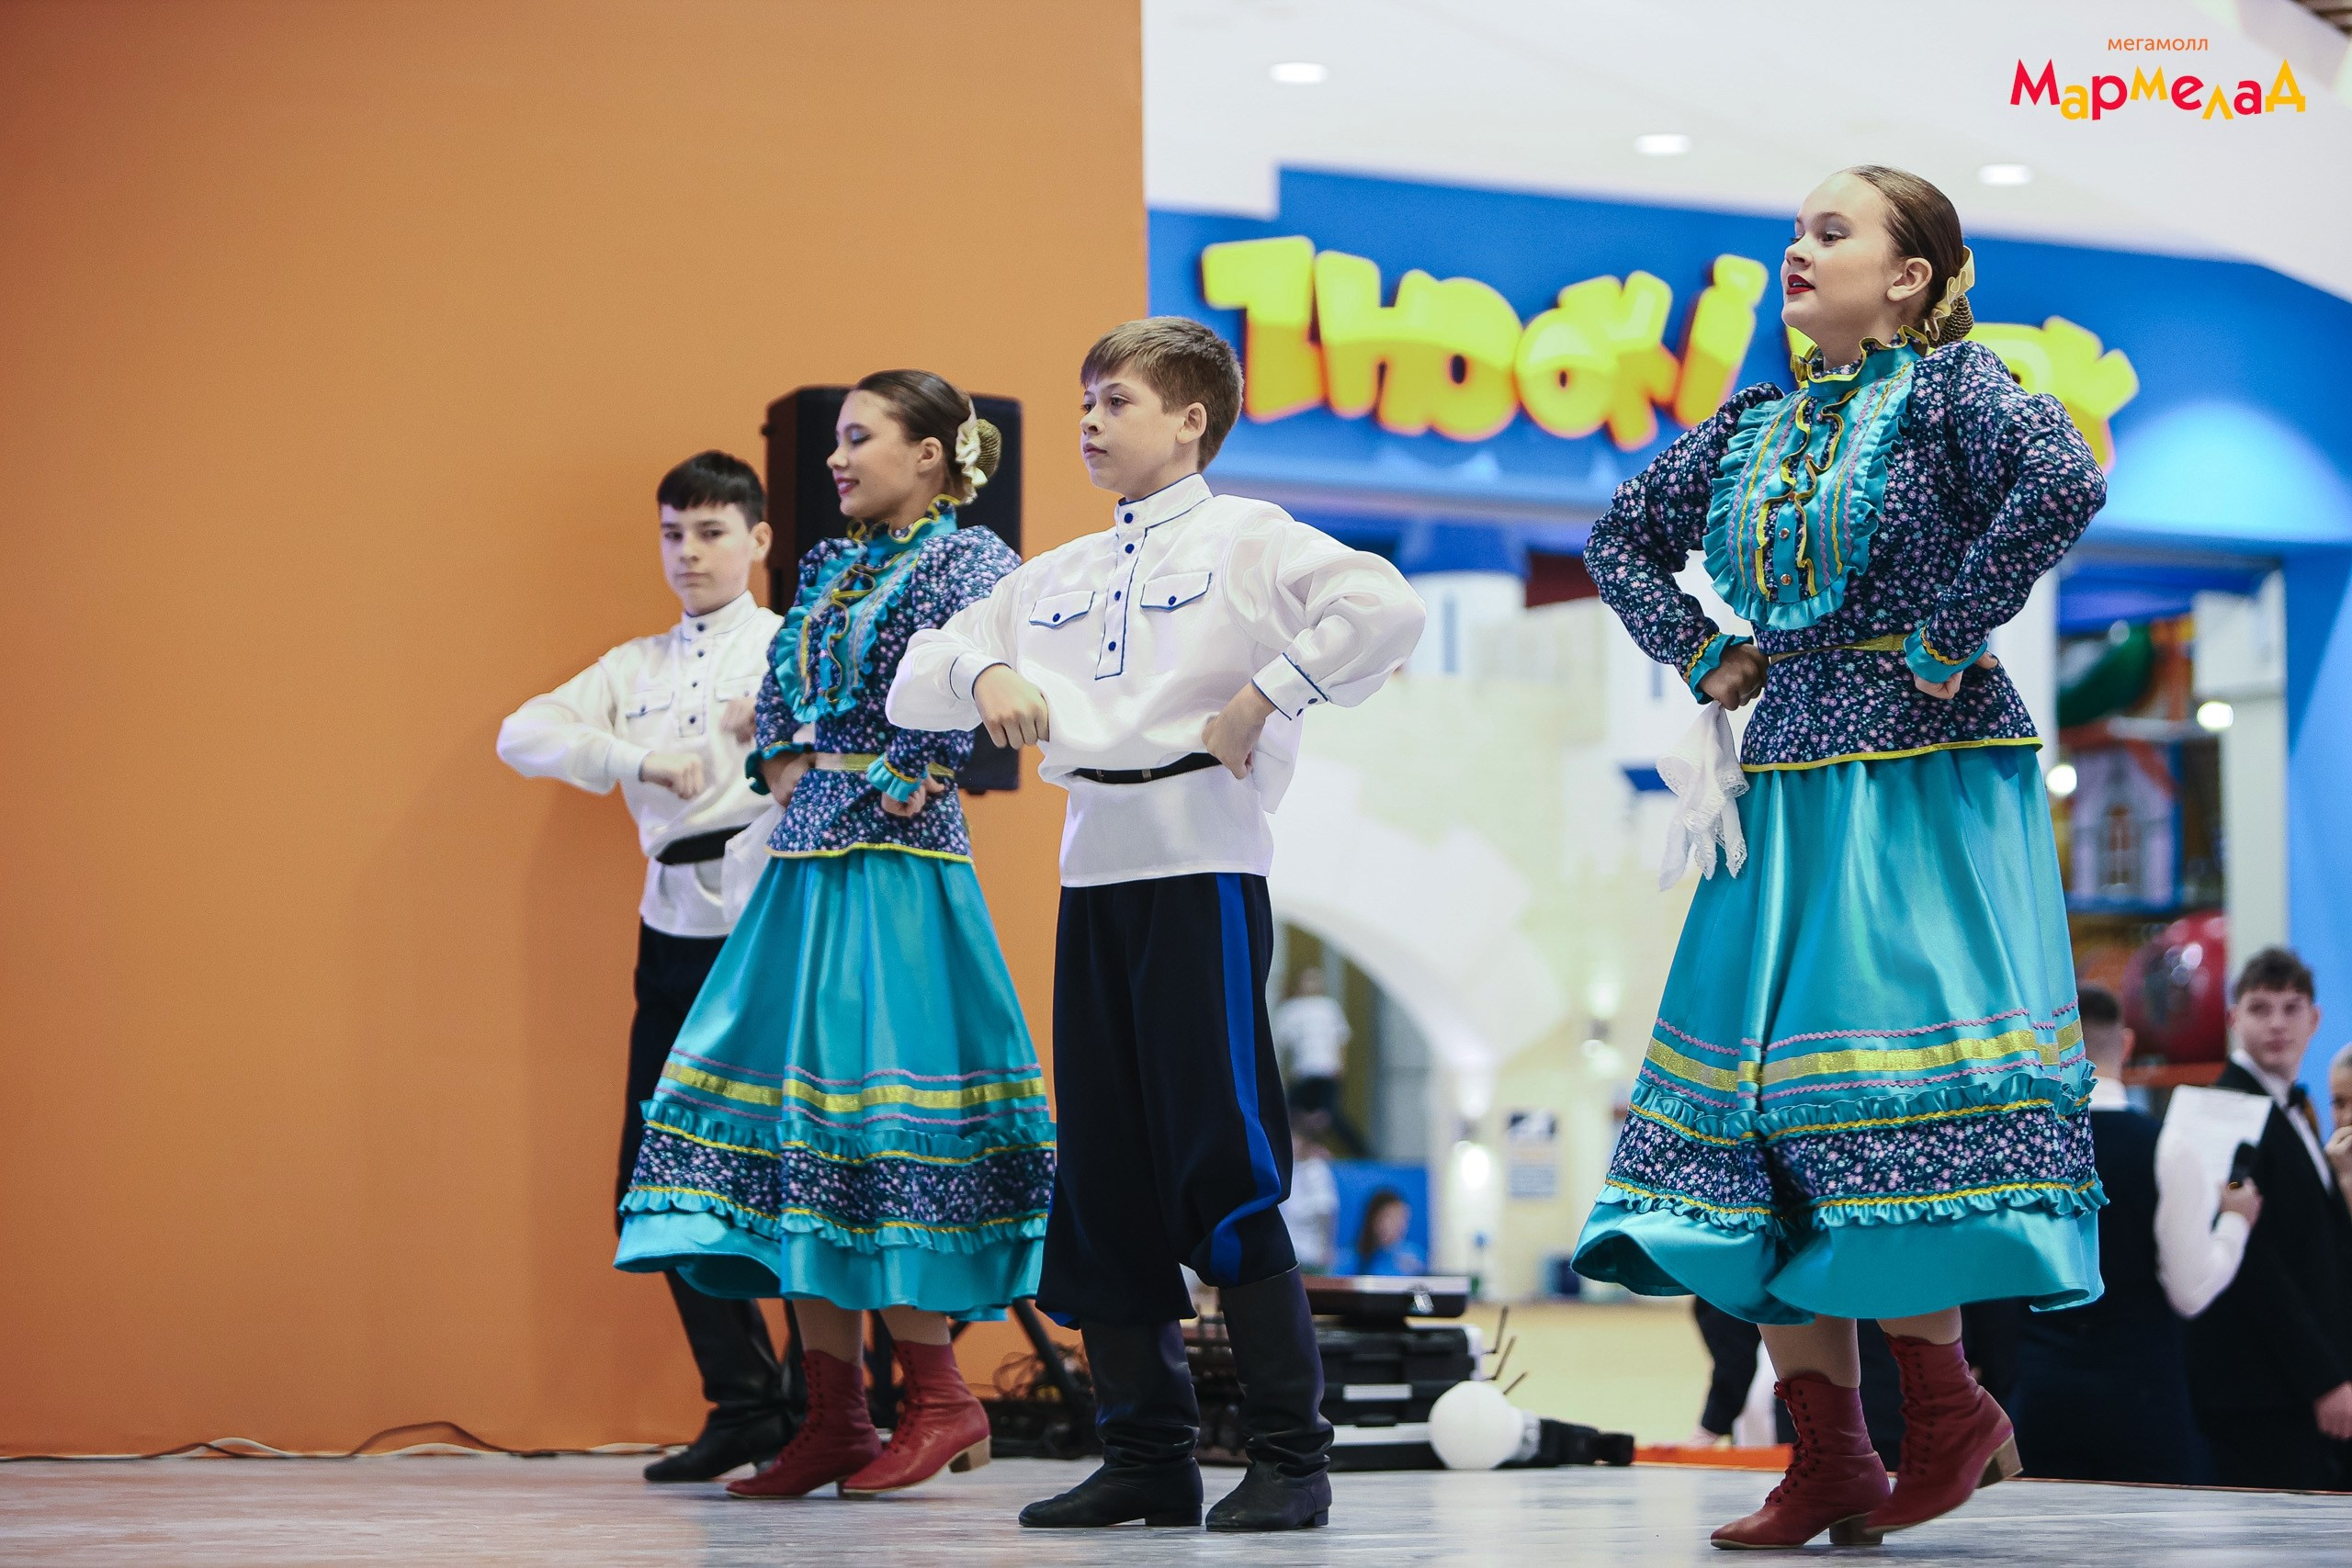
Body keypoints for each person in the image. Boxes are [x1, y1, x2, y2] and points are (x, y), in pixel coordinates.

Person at [1567, 165, 2110, 1548]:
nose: (1796, 251)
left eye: (1830, 231)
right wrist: (1701, 649)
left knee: (1868, 1091)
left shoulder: (1953, 390)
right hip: (1784, 781)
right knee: (1755, 1114)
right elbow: (1617, 537)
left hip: (1912, 779)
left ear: (1910, 275)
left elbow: (2064, 476)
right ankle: (1833, 1454)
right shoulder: (1754, 419)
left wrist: (1950, 630)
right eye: (1794, 232)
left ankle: (1946, 1407)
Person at [888, 316, 1425, 1532]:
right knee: (1104, 1172)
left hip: (1203, 869)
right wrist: (985, 675)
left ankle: (1291, 1457)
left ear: (1190, 419)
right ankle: (1147, 1453)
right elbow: (918, 674)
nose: (1088, 420)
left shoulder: (1251, 540)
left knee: (1221, 1164)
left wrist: (1269, 692)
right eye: (1083, 399)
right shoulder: (1056, 573)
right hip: (1094, 876)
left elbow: (1383, 608)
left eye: (1115, 400)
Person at [614, 372, 1053, 1502]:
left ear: (929, 455)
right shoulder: (824, 562)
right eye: (839, 437)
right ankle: (834, 1414)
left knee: (870, 1118)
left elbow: (976, 675)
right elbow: (782, 683)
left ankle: (940, 1398)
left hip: (896, 869)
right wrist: (781, 757)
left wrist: (908, 767)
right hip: (806, 864)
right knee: (794, 1125)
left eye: (860, 438)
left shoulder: (970, 561)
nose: (835, 457)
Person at [496, 450, 794, 1483]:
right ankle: (744, 1400)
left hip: (771, 922)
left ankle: (826, 1402)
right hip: (669, 926)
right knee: (656, 1172)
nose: (690, 553)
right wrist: (634, 759)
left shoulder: (790, 645)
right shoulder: (634, 666)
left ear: (758, 539)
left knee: (791, 1158)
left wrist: (775, 728)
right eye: (674, 534)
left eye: (712, 532)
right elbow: (523, 732)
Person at [2010, 987, 2256, 1483]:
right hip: (2141, 1402)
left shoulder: (2023, 1148)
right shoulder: (2169, 1147)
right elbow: (2190, 1292)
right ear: (2125, 1044)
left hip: (2040, 1395)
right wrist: (2235, 1222)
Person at [2187, 947, 2352, 1491]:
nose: (2277, 1024)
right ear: (2233, 1017)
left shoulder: (2292, 1110)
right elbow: (2254, 1263)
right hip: (2261, 1391)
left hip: (2291, 1386)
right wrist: (2324, 1380)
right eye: (2260, 1009)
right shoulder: (2226, 1110)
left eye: (2291, 1007)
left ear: (2315, 1019)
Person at [1274, 968, 1364, 1155]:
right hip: (1303, 1072)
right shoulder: (1292, 1010)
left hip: (1326, 1070)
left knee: (1328, 1116)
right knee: (1292, 1114)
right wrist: (1285, 1075)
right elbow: (1282, 1047)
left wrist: (1341, 1065)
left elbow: (1340, 1037)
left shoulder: (1328, 1007)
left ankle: (1361, 1153)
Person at [1281, 1124, 1340, 1274]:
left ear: (1304, 1143)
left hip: (1311, 1254)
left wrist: (1326, 1247)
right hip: (1290, 1250)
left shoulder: (1316, 1170)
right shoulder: (1291, 1169)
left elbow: (1326, 1211)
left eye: (1295, 1140)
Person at [1342, 1189, 1423, 1276]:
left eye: (1403, 1218)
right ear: (1374, 1220)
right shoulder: (1350, 1259)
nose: (1399, 1225)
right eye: (1392, 1218)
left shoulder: (1414, 1256)